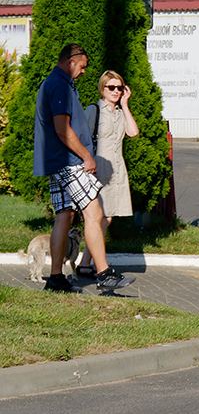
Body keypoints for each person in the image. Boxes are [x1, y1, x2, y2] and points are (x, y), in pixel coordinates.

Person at [32, 44, 134, 292]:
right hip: (69, 161)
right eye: (83, 66)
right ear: (70, 61)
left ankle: (56, 278)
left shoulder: (57, 84)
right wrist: (87, 156)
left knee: (64, 215)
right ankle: (104, 274)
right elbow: (62, 129)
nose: (84, 71)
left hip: (56, 161)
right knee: (94, 212)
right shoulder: (59, 85)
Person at [75, 70, 141, 277]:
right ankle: (87, 263)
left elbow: (133, 132)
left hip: (117, 170)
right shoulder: (94, 110)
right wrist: (86, 162)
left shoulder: (121, 113)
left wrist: (125, 104)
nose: (115, 91)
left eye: (119, 88)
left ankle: (86, 263)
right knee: (99, 217)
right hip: (97, 169)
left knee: (107, 217)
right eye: (110, 87)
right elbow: (78, 137)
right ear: (102, 89)